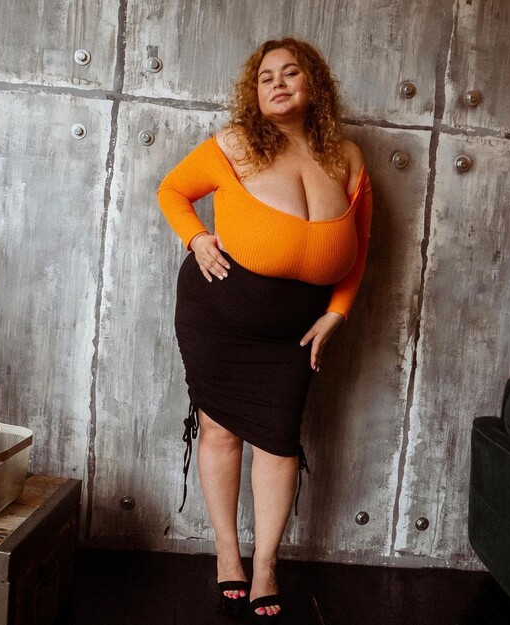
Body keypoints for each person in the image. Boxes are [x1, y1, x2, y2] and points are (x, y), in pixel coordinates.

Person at [157, 37, 372, 622]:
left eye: (290, 73)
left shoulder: (347, 157)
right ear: (254, 92)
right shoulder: (236, 144)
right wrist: (197, 239)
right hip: (218, 316)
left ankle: (267, 565)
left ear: (313, 84)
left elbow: (360, 246)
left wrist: (337, 313)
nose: (277, 84)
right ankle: (228, 552)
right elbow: (172, 190)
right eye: (265, 77)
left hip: (295, 332)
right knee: (220, 431)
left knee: (279, 441)